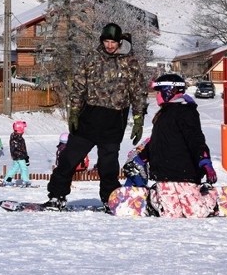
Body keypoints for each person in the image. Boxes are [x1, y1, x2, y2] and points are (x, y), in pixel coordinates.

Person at [43, 22, 148, 210]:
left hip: (115, 119)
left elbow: (138, 91)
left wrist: (139, 118)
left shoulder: (130, 62)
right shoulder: (92, 58)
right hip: (90, 116)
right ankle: (56, 196)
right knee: (69, 158)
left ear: (119, 41)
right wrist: (74, 111)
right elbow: (79, 85)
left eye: (113, 42)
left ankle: (110, 199)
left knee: (108, 165)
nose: (109, 45)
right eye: (106, 41)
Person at [138, 73, 218, 217]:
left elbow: (195, 139)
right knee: (171, 214)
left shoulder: (186, 111)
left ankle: (208, 195)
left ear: (169, 91)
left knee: (196, 214)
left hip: (184, 173)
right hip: (164, 174)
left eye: (158, 92)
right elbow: (159, 142)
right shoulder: (162, 114)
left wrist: (204, 160)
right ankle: (153, 199)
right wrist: (142, 156)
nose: (156, 96)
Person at [2, 120, 31, 186]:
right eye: (23, 128)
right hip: (20, 156)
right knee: (24, 168)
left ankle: (7, 180)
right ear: (20, 129)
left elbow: (21, 149)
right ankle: (25, 181)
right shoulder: (17, 139)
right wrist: (24, 156)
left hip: (16, 157)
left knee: (14, 168)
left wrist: (26, 157)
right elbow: (20, 149)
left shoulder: (16, 137)